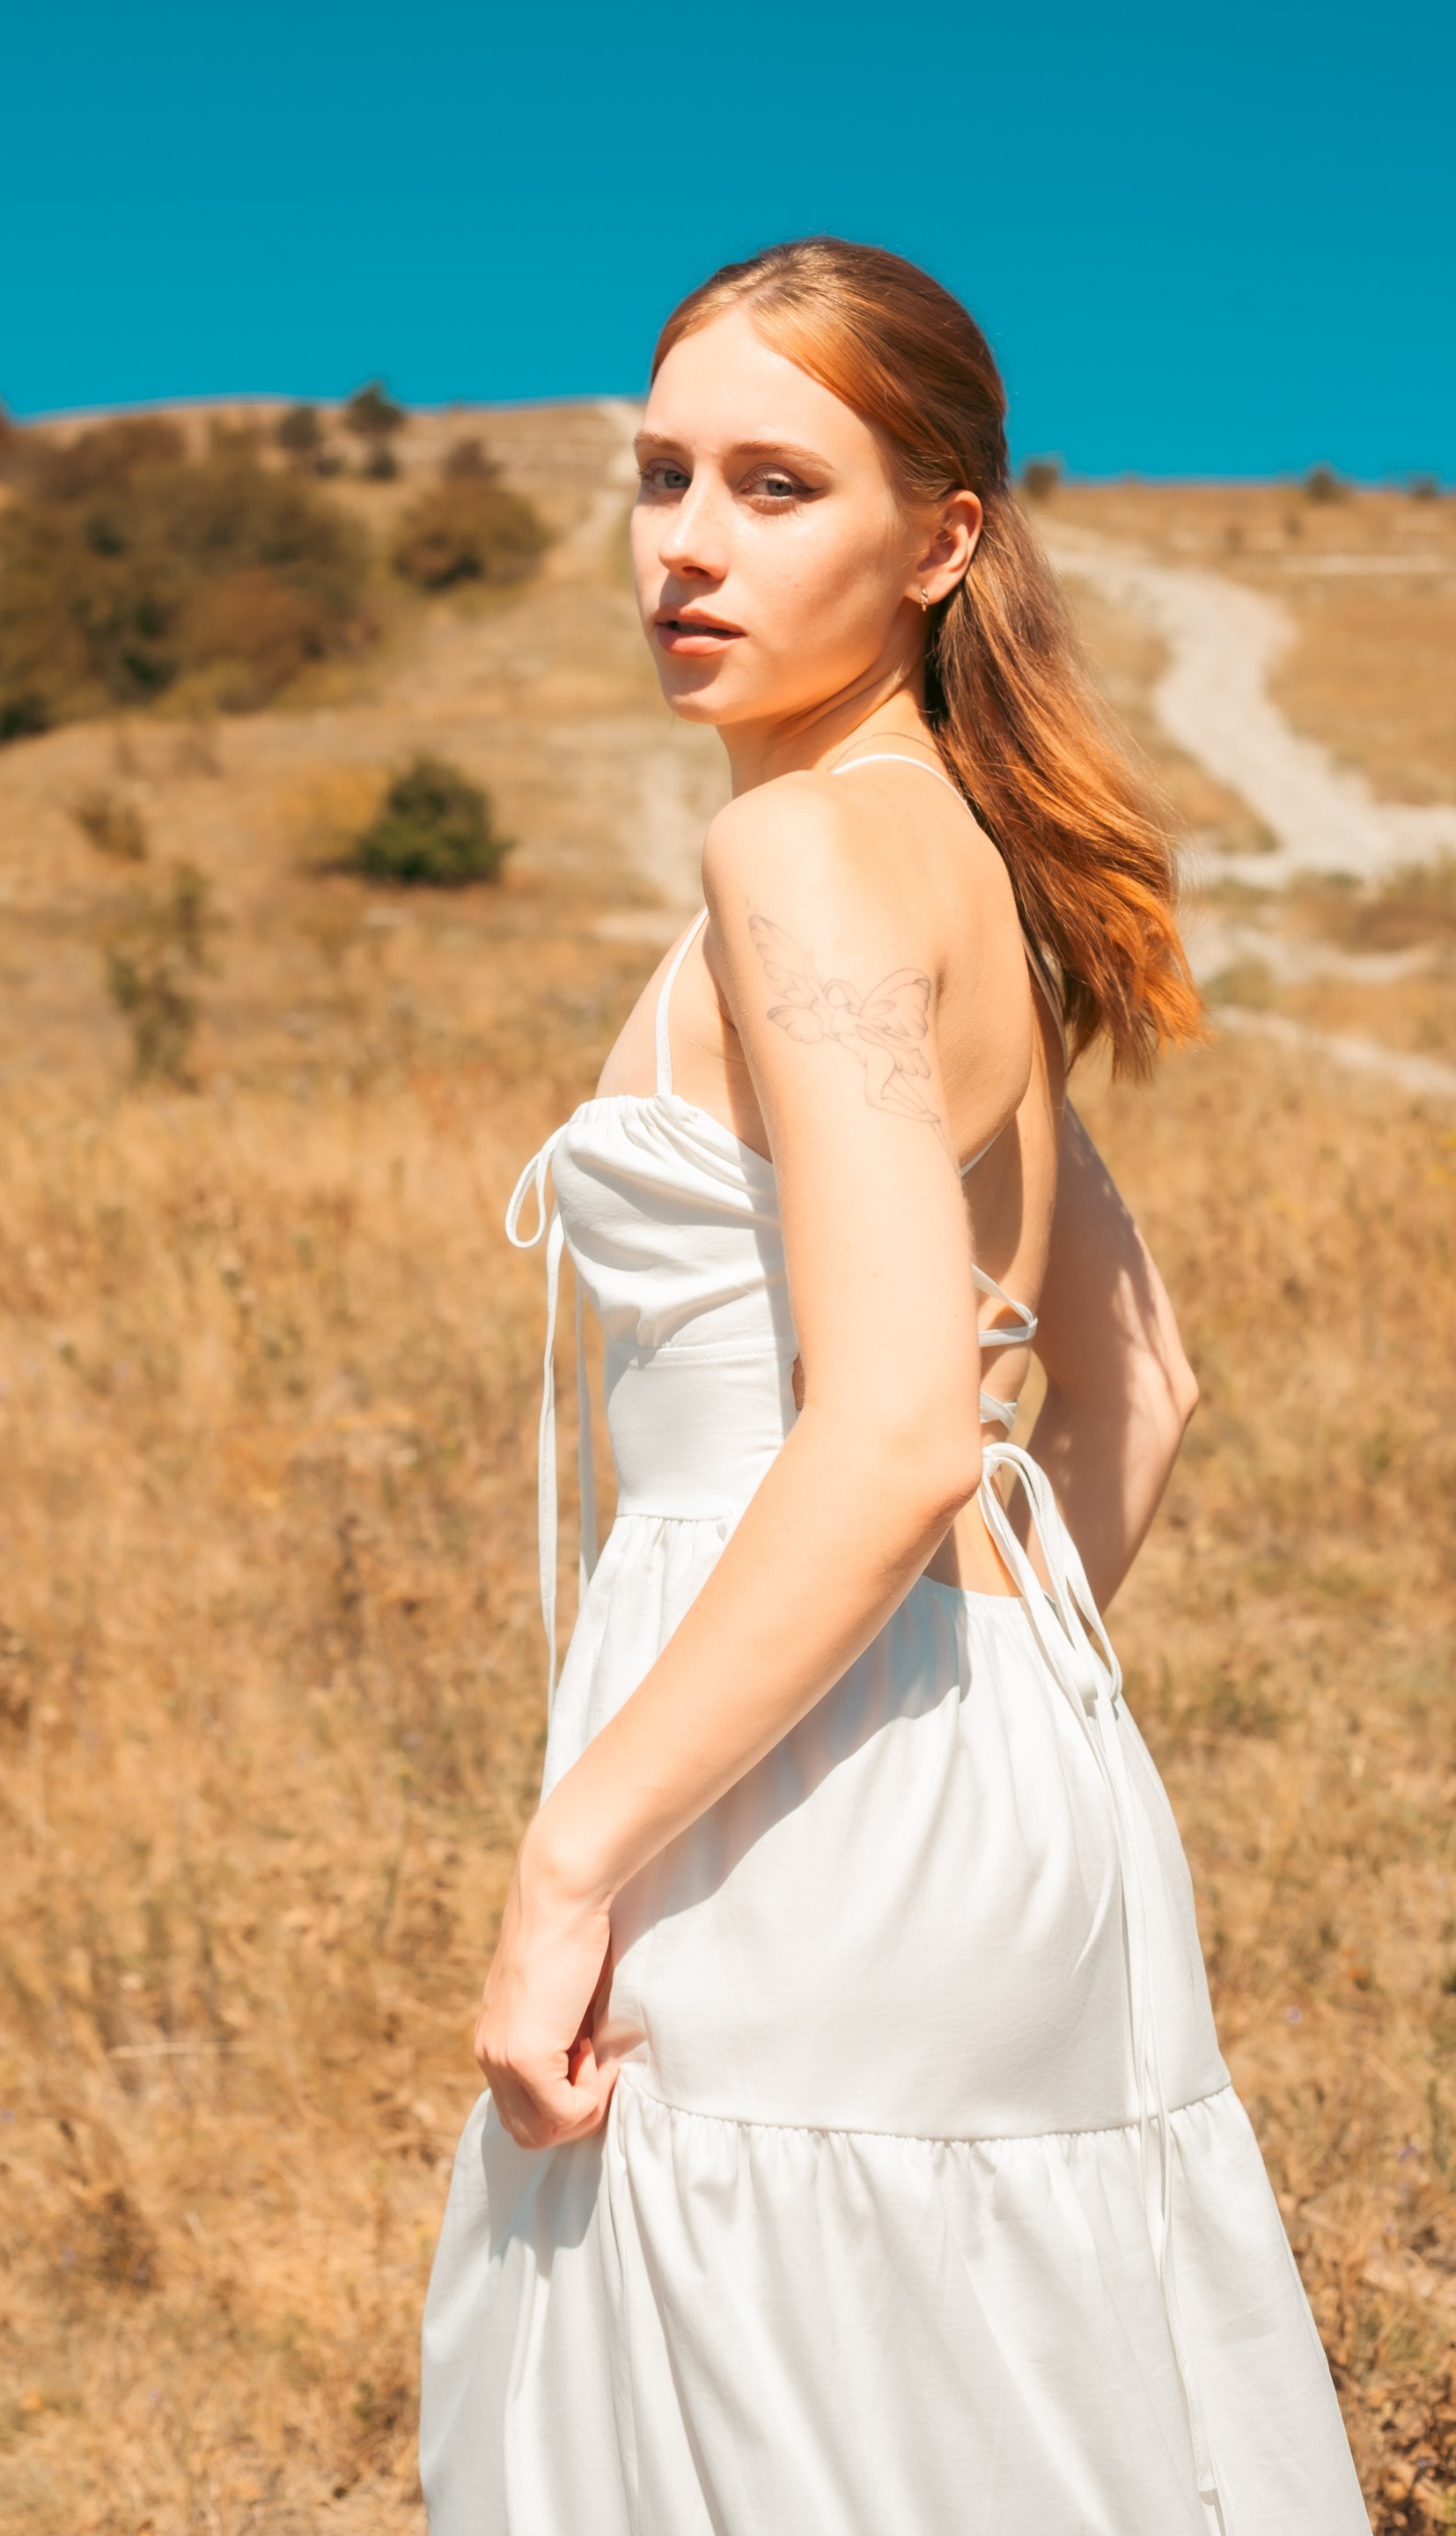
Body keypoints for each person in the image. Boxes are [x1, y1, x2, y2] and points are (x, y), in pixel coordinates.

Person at [421, 239, 1365, 2533]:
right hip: (982, 1761)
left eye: (775, 485)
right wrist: (984, 1694)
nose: (688, 545)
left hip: (795, 1803)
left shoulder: (797, 853)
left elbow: (904, 1427)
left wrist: (568, 1862)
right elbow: (1144, 1380)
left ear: (942, 541)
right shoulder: (969, 870)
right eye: (663, 478)